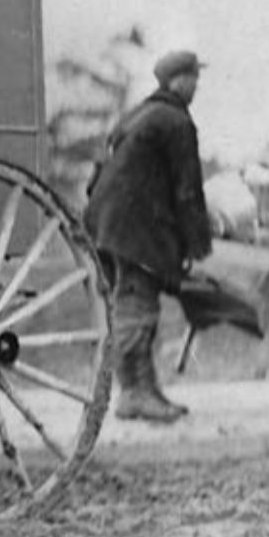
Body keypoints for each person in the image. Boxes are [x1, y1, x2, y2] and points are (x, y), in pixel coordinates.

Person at [83, 50, 215, 423]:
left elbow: (102, 166)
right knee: (138, 307)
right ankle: (135, 394)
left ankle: (143, 391)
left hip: (106, 224)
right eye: (194, 78)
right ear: (179, 81)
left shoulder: (138, 114)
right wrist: (196, 246)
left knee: (129, 304)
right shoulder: (176, 122)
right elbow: (188, 192)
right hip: (135, 229)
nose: (197, 86)